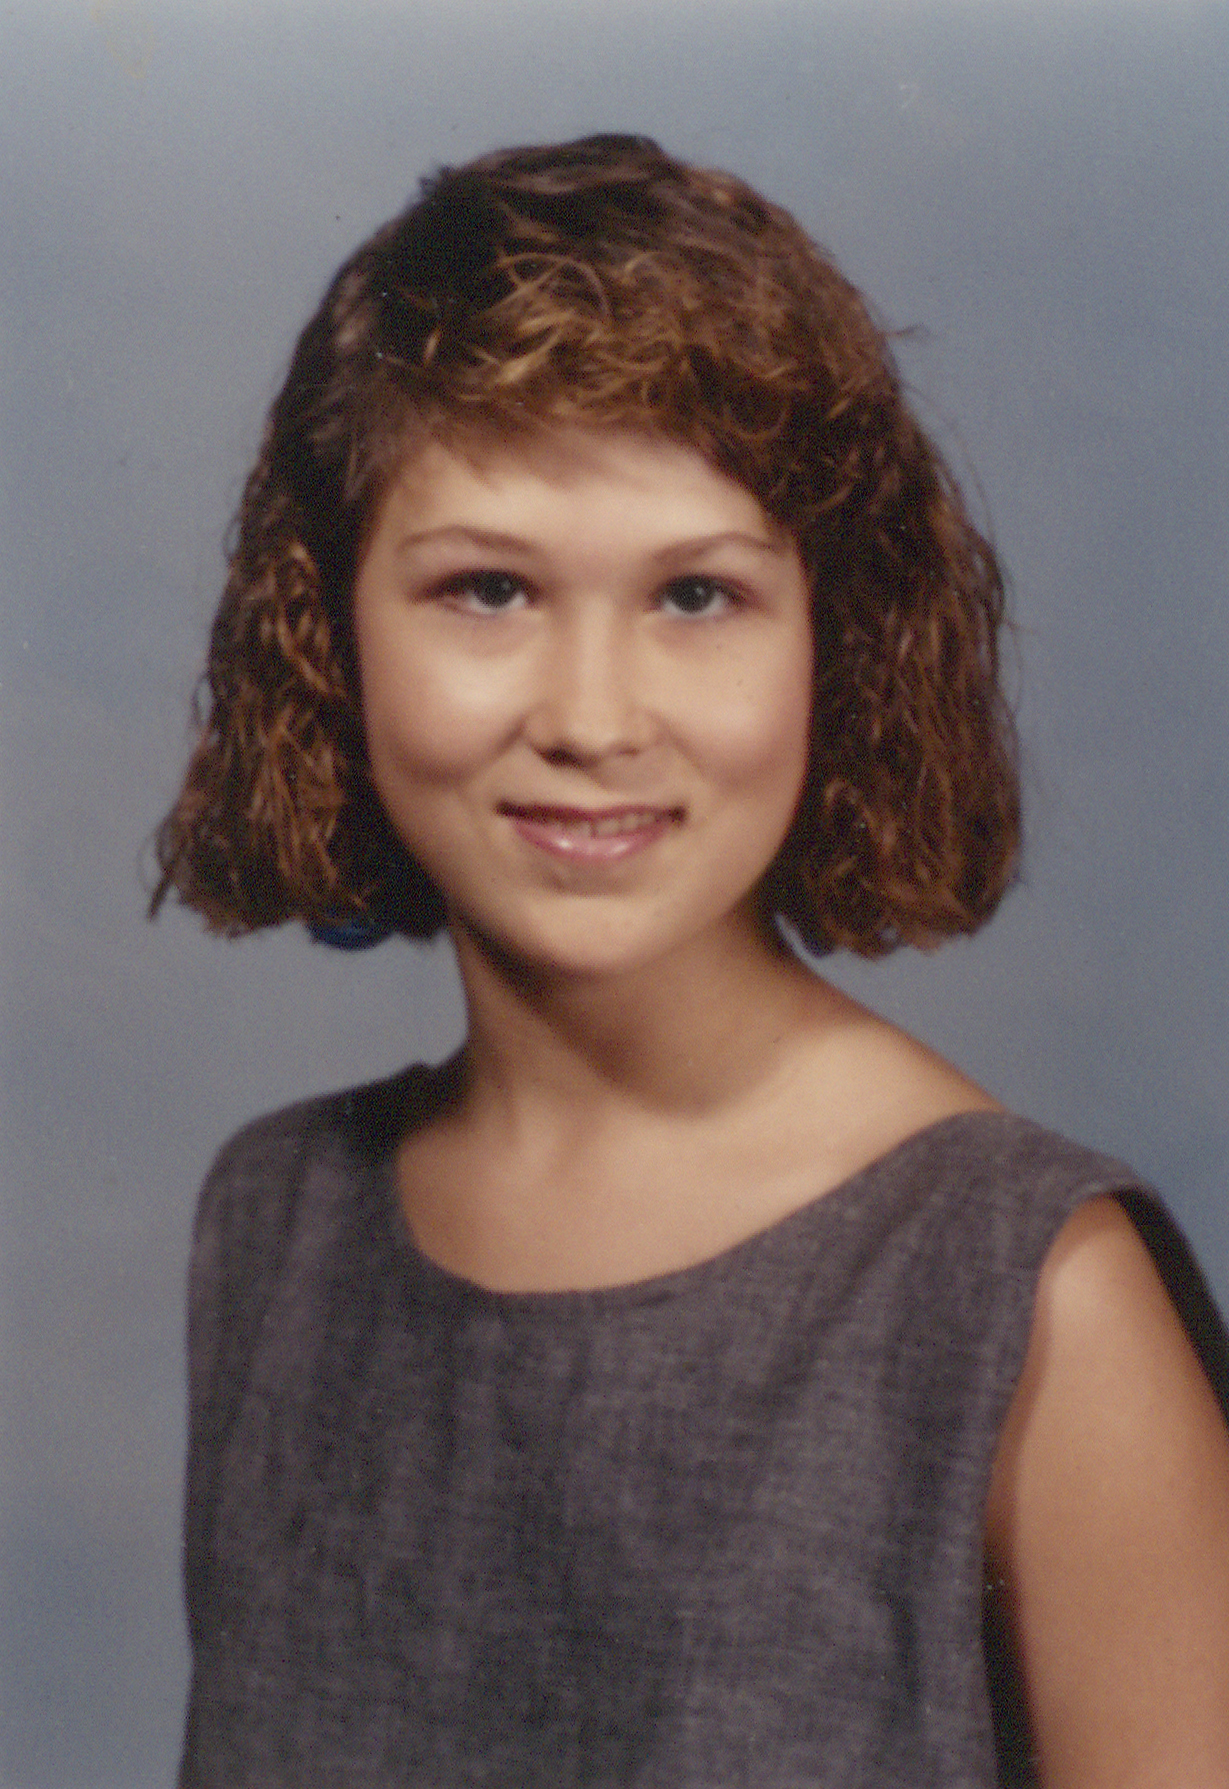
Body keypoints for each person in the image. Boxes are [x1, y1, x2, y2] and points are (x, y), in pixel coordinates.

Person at [151, 135, 1229, 1788]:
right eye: (487, 588)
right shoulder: (274, 1224)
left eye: (698, 596)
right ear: (326, 627)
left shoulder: (1032, 1298)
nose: (591, 718)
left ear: (837, 645)